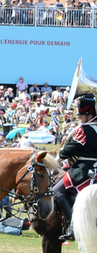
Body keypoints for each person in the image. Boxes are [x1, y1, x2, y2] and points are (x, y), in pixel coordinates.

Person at [51, 93, 97, 242]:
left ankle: (72, 226)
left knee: (56, 191)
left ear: (89, 115)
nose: (79, 118)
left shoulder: (84, 130)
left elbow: (69, 149)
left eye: (82, 115)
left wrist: (55, 162)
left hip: (83, 168)